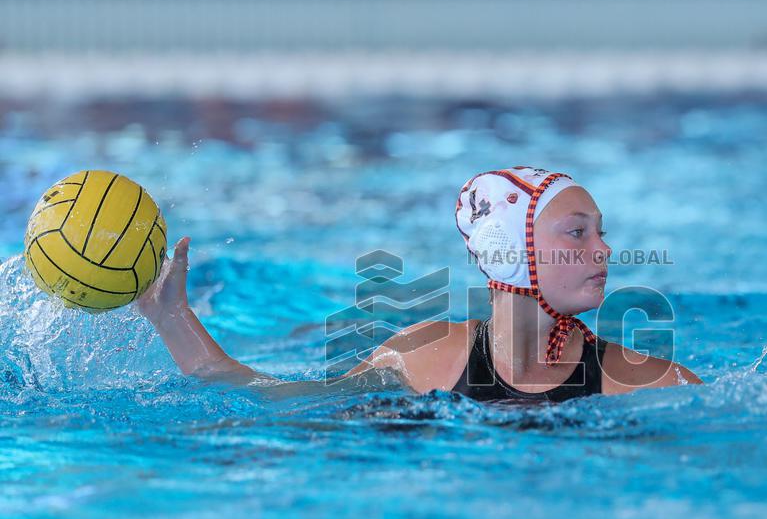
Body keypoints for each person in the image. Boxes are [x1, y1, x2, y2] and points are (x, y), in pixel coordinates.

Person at [137, 166, 701, 401]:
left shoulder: (656, 383)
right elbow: (274, 400)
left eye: (601, 232)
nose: (603, 250)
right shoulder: (423, 359)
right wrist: (172, 317)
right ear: (510, 253)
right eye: (577, 233)